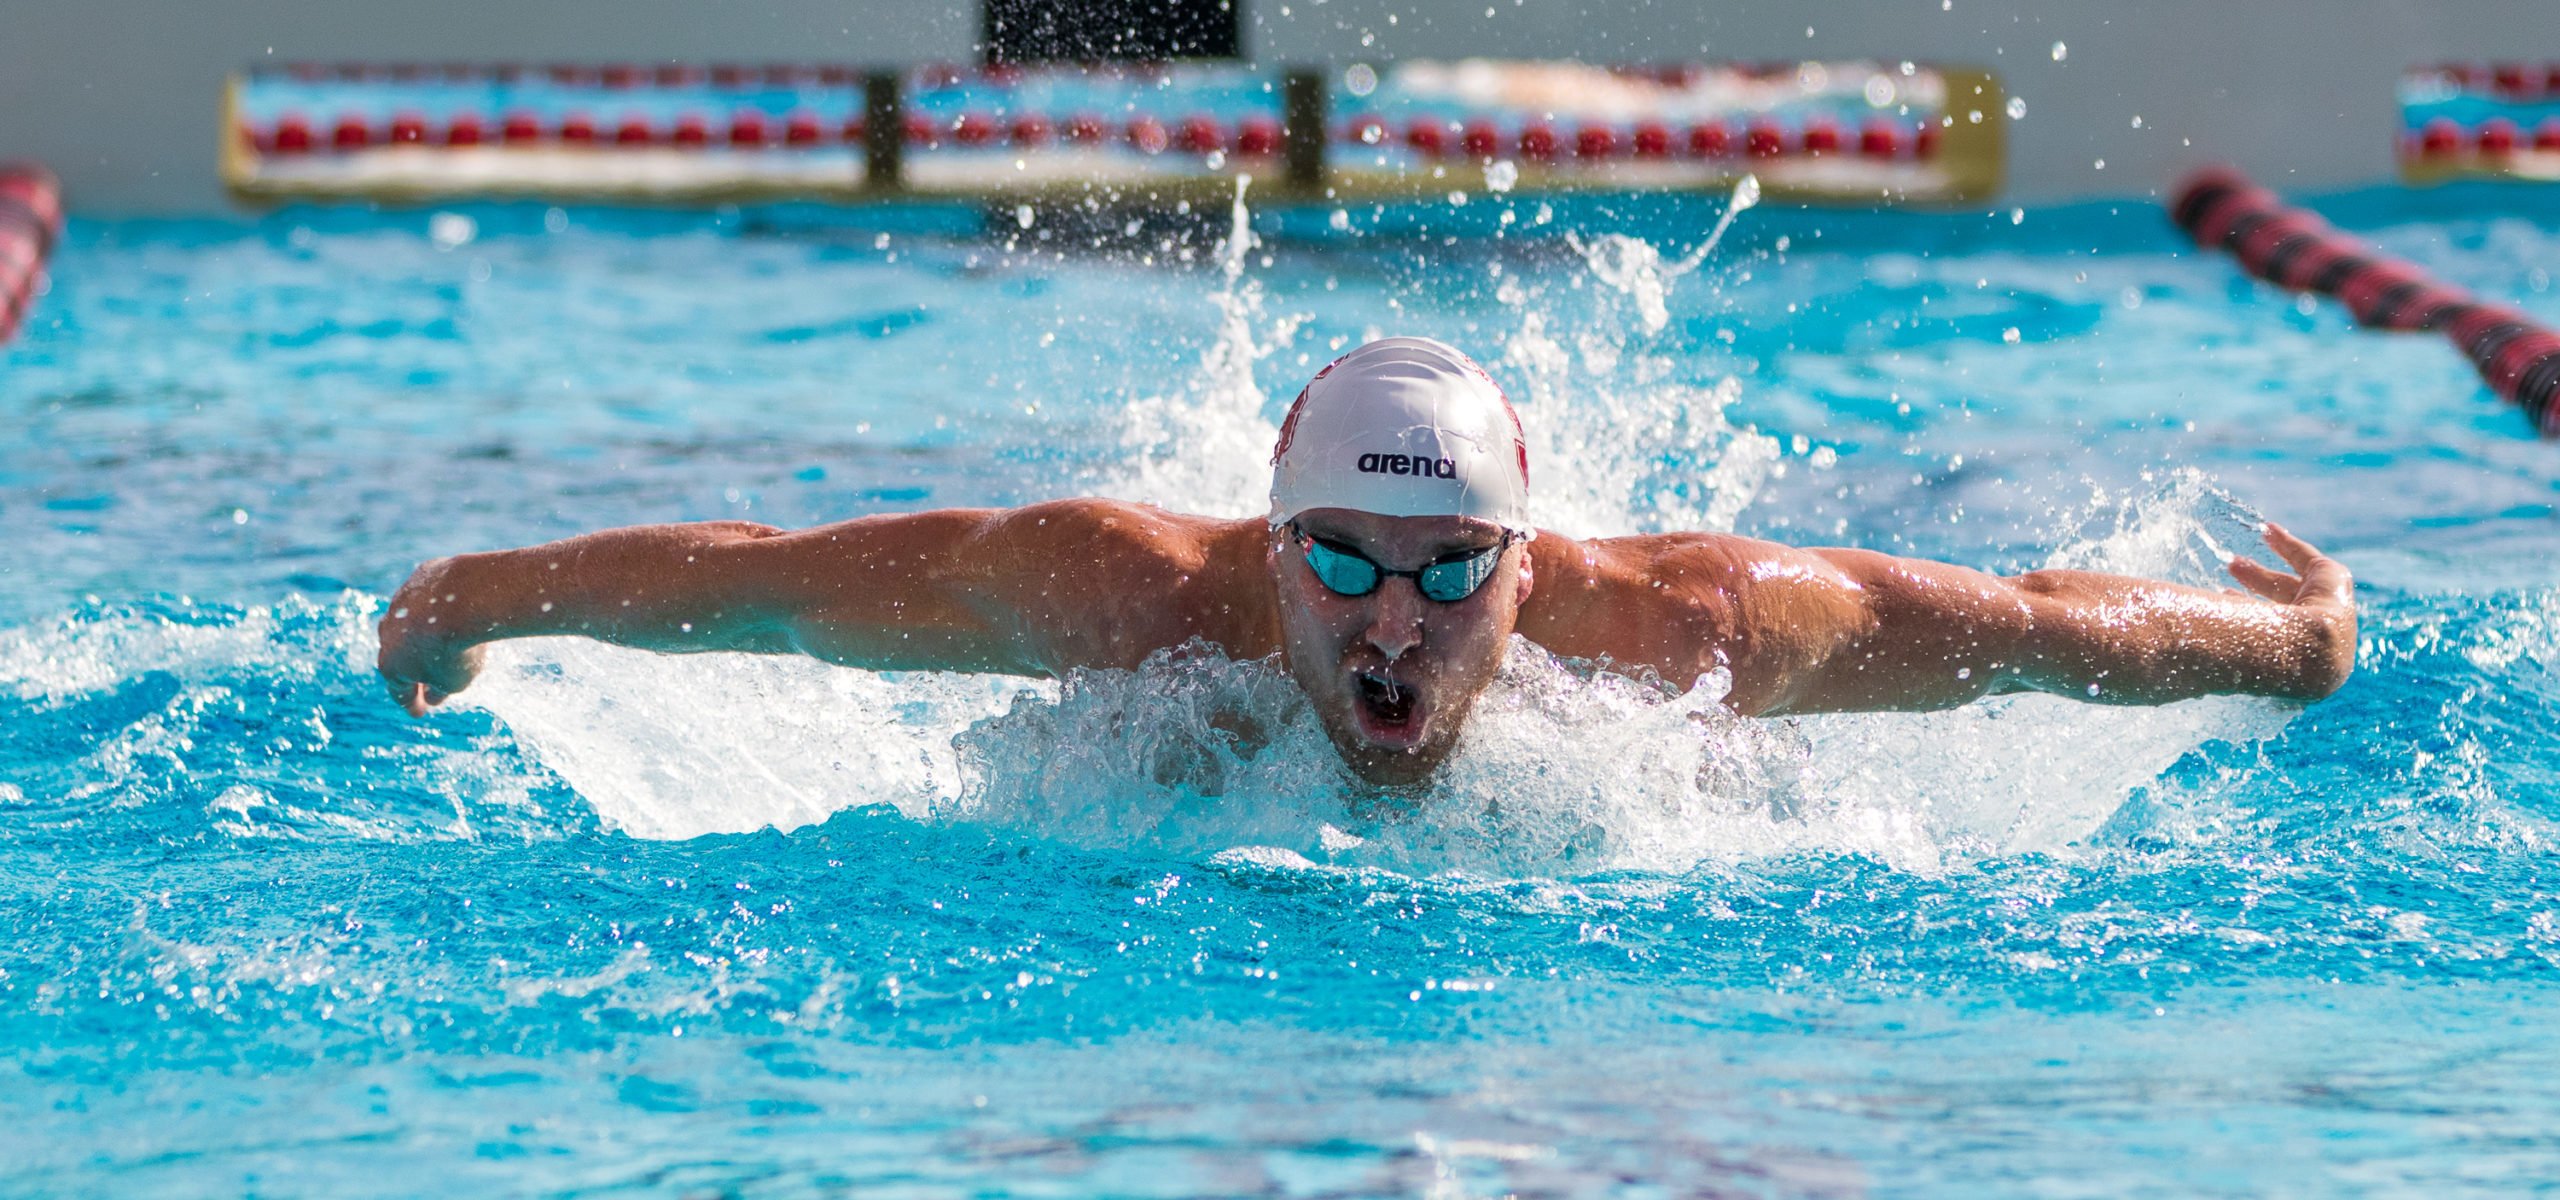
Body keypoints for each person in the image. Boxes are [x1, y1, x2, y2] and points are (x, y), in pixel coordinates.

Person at [378, 337, 2355, 786]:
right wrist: (474, 597)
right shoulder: (1118, 588)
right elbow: (760, 578)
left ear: (1519, 555)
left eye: (1445, 569)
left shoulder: (1676, 624)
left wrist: (2284, 655)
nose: (1392, 620)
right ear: (1265, 529)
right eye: (1337, 560)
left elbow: (2016, 633)